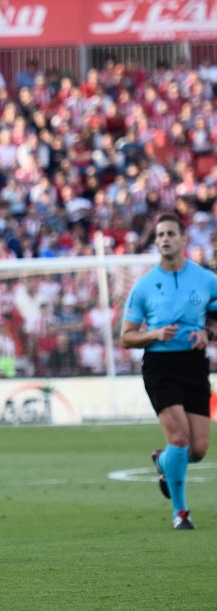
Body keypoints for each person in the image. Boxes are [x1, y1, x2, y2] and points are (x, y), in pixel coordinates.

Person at [120, 212, 217, 530]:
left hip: (194, 363)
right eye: (159, 234)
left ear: (183, 238)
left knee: (199, 449)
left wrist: (209, 334)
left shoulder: (206, 279)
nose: (164, 239)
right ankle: (181, 512)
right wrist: (153, 335)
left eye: (170, 234)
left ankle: (163, 462)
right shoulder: (144, 285)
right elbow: (127, 335)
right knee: (179, 438)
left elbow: (215, 319)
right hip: (160, 366)